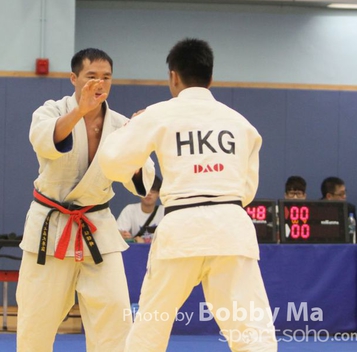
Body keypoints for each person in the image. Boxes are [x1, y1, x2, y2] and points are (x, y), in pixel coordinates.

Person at [98, 38, 277, 351]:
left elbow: (112, 162)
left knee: (150, 329)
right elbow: (246, 191)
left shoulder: (158, 114)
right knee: (251, 331)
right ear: (210, 77)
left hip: (181, 230)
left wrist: (131, 127)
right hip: (232, 229)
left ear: (173, 76)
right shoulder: (241, 124)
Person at [16, 48, 155, 352]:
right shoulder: (51, 111)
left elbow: (140, 183)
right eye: (92, 76)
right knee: (35, 321)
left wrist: (135, 140)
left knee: (115, 318)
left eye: (106, 77)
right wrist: (79, 112)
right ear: (74, 78)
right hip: (50, 230)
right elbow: (44, 142)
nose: (99, 84)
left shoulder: (119, 125)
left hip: (97, 229)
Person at [118, 175, 165, 243]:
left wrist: (146, 241)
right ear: (139, 192)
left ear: (159, 193)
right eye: (146, 190)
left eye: (153, 191)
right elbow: (118, 233)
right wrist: (123, 235)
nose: (149, 193)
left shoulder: (164, 211)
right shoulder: (130, 210)